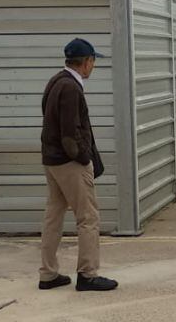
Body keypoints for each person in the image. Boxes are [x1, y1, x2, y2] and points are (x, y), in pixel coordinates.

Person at [38, 38, 118, 292]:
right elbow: (70, 133)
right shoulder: (71, 88)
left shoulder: (55, 81)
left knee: (53, 216)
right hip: (70, 163)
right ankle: (88, 274)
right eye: (93, 62)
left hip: (51, 160)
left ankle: (48, 274)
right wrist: (84, 158)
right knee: (88, 217)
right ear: (86, 62)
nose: (93, 67)